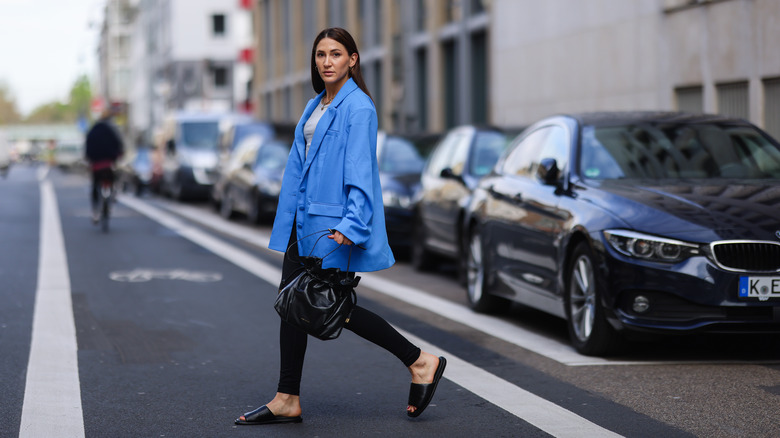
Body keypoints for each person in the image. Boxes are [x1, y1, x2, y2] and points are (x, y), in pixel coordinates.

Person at [235, 27, 447, 426]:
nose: (327, 61)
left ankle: (420, 361)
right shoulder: (316, 104)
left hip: (332, 227)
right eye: (320, 55)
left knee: (329, 306)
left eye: (335, 54)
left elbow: (361, 171)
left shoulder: (359, 107)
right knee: (293, 304)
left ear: (353, 59)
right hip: (306, 224)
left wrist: (352, 224)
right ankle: (287, 397)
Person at [84, 106, 124, 223]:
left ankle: (95, 211)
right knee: (114, 177)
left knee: (95, 185)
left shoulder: (93, 131)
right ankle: (113, 193)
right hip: (109, 162)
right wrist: (118, 155)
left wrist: (89, 158)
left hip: (96, 164)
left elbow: (88, 147)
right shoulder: (112, 130)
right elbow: (119, 144)